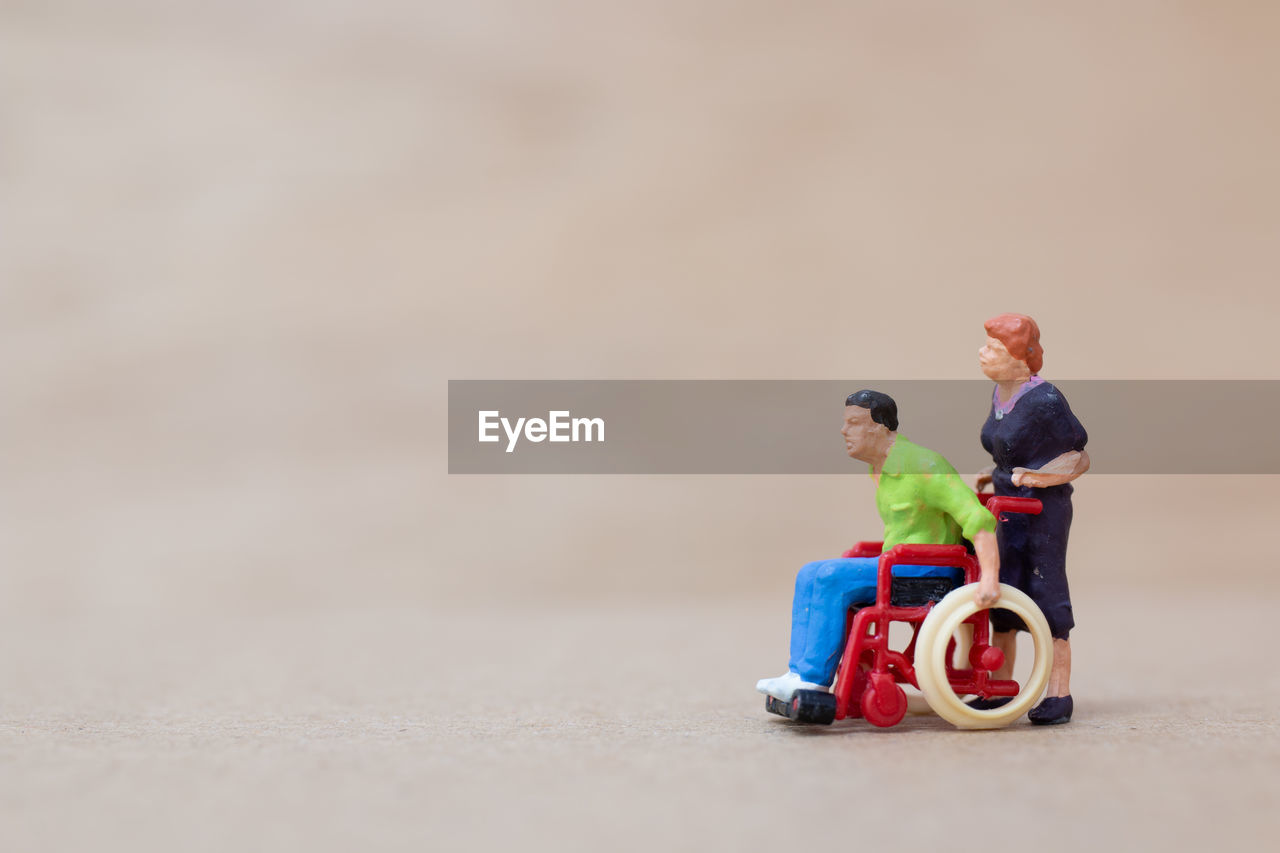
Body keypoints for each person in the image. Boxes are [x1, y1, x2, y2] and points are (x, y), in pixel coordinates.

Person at [756, 390, 1000, 703]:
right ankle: (798, 673)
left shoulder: (923, 465)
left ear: (880, 428)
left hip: (928, 572)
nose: (844, 431)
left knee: (830, 576)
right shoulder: (880, 469)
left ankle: (814, 681)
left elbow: (977, 519)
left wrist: (990, 576)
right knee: (808, 573)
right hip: (898, 564)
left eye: (854, 423)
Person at [975, 313, 1089, 725]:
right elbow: (1008, 447)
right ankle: (998, 687)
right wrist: (999, 474)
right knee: (1003, 593)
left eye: (992, 348)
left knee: (1047, 593)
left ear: (1021, 358)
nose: (982, 354)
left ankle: (1059, 694)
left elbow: (1078, 456)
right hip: (1007, 509)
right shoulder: (1000, 394)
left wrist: (1038, 479)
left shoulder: (1046, 400)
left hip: (1043, 512)